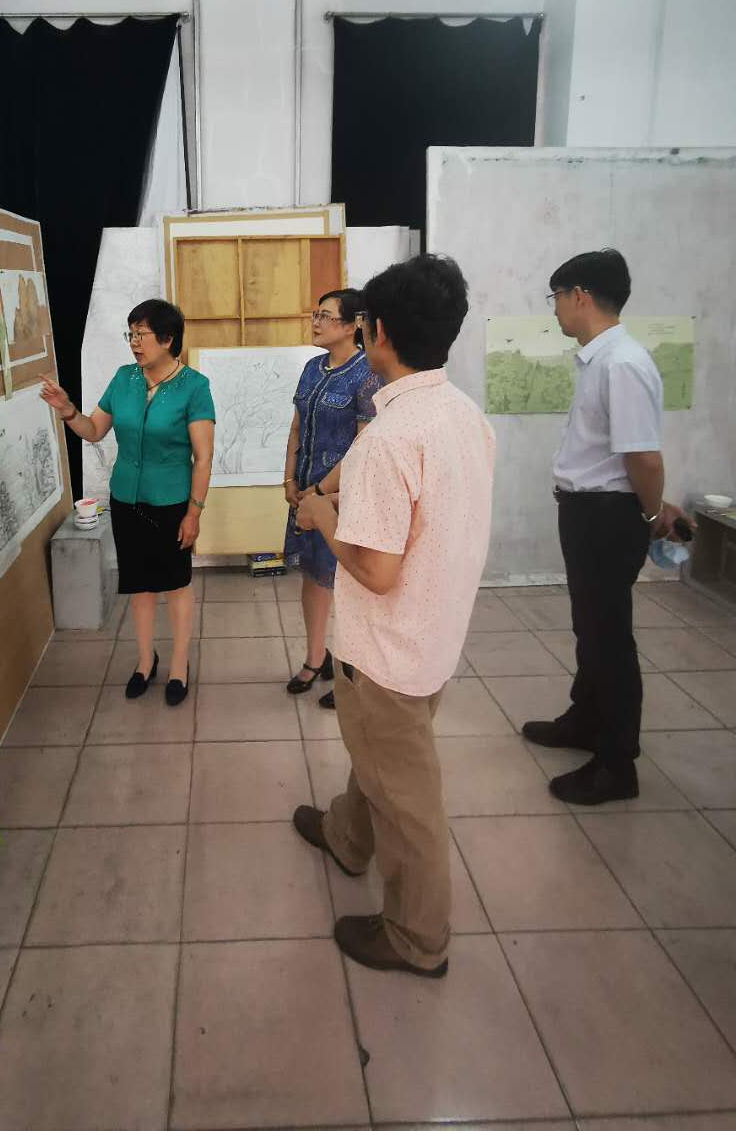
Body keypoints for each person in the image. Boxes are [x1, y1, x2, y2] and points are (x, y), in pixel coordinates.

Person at [293, 254, 494, 977]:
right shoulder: (462, 415)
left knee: (409, 802)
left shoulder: (387, 438)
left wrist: (321, 517)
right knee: (383, 760)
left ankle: (417, 939)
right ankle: (348, 837)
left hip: (386, 651)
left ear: (375, 333)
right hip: (435, 635)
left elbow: (377, 571)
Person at [520, 249, 687, 805]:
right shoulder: (602, 359)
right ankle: (586, 720)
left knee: (608, 636)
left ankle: (617, 764)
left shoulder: (621, 363)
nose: (555, 309)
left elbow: (644, 457)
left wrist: (651, 515)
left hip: (608, 517)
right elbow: (627, 456)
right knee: (590, 627)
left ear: (580, 295)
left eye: (556, 297)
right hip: (591, 512)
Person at [39, 299, 214, 706]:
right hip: (126, 500)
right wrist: (67, 410)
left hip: (171, 502)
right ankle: (145, 660)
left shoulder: (194, 386)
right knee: (139, 584)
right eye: (130, 334)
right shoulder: (124, 379)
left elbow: (203, 457)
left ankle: (179, 664)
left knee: (175, 584)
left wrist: (193, 513)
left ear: (167, 339)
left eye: (141, 334)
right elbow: (94, 430)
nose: (134, 342)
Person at [283, 289, 381, 708]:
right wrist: (289, 479)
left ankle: (351, 673)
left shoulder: (367, 373)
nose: (316, 322)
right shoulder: (312, 368)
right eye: (315, 314)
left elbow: (363, 447)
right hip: (305, 493)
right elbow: (296, 427)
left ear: (354, 324)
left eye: (325, 315)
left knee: (348, 585)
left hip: (342, 498)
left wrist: (322, 492)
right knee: (313, 576)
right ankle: (315, 658)